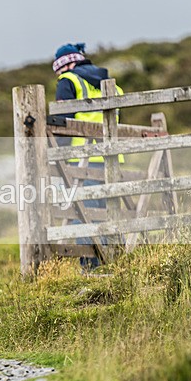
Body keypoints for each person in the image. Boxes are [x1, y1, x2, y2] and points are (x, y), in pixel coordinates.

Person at [53, 43, 124, 268]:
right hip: (111, 160)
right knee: (108, 212)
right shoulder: (108, 83)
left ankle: (92, 268)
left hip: (80, 158)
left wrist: (56, 154)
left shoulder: (68, 82)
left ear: (66, 65)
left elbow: (62, 123)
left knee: (82, 213)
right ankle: (118, 263)